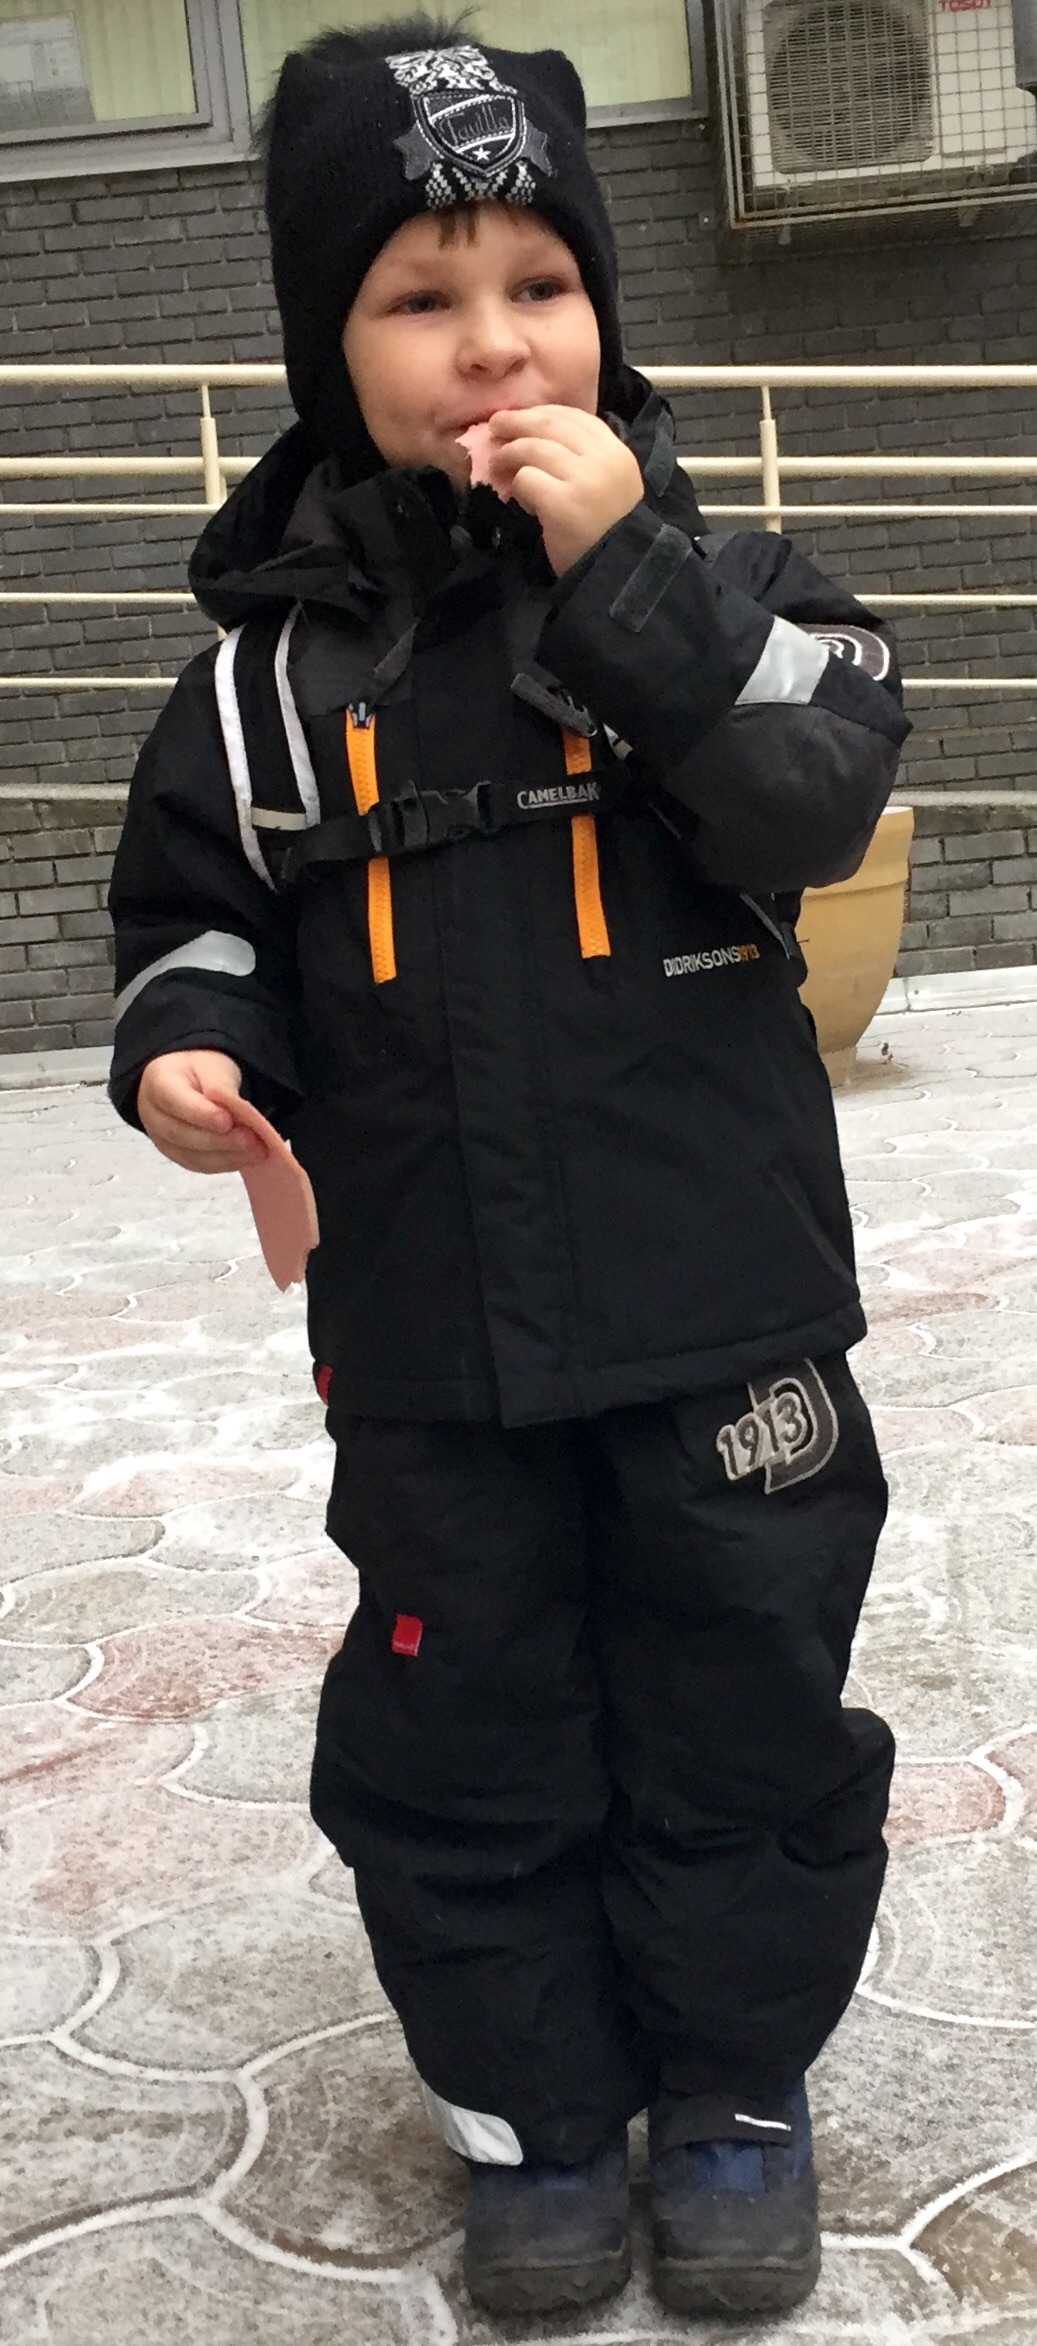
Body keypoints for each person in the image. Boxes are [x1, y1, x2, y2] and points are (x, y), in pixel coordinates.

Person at [108, 13, 909, 2321]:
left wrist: (632, 577)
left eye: (540, 284)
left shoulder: (738, 591)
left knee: (744, 1699)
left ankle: (732, 2085)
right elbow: (189, 915)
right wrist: (185, 1046)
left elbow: (815, 798)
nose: (492, 343)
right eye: (421, 295)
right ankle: (535, 2112)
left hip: (723, 1320)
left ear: (603, 314)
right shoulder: (259, 691)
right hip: (431, 1341)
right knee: (462, 1726)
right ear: (323, 346)